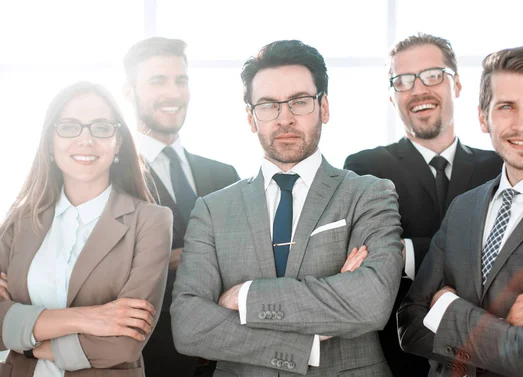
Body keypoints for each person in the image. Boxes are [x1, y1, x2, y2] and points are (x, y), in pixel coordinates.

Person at [170, 40, 404, 376]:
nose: (285, 118)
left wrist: (245, 298)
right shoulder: (212, 210)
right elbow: (190, 325)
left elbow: (370, 302)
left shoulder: (368, 194)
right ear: (251, 118)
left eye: (299, 102)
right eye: (267, 105)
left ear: (324, 107)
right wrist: (305, 341)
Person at [397, 46, 523, 377]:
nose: (522, 125)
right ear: (483, 117)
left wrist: (446, 306)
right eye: (506, 107)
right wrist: (505, 323)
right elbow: (409, 326)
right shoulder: (464, 206)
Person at [344, 33, 502, 376]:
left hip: (489, 357)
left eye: (432, 75)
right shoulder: (364, 169)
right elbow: (366, 258)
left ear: (456, 84)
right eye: (403, 81)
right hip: (397, 361)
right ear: (391, 95)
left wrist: (406, 253)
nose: (418, 90)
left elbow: (514, 254)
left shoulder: (500, 167)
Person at [0, 81, 172, 376]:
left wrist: (27, 341)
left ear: (118, 141)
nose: (86, 139)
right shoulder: (20, 220)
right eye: (69, 127)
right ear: (50, 141)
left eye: (101, 127)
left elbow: (124, 342)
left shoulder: (151, 221)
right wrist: (90, 317)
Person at [123, 37, 240, 377]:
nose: (173, 93)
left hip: (230, 361)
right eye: (157, 81)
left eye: (181, 80)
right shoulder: (111, 177)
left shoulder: (225, 175)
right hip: (152, 361)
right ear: (129, 91)